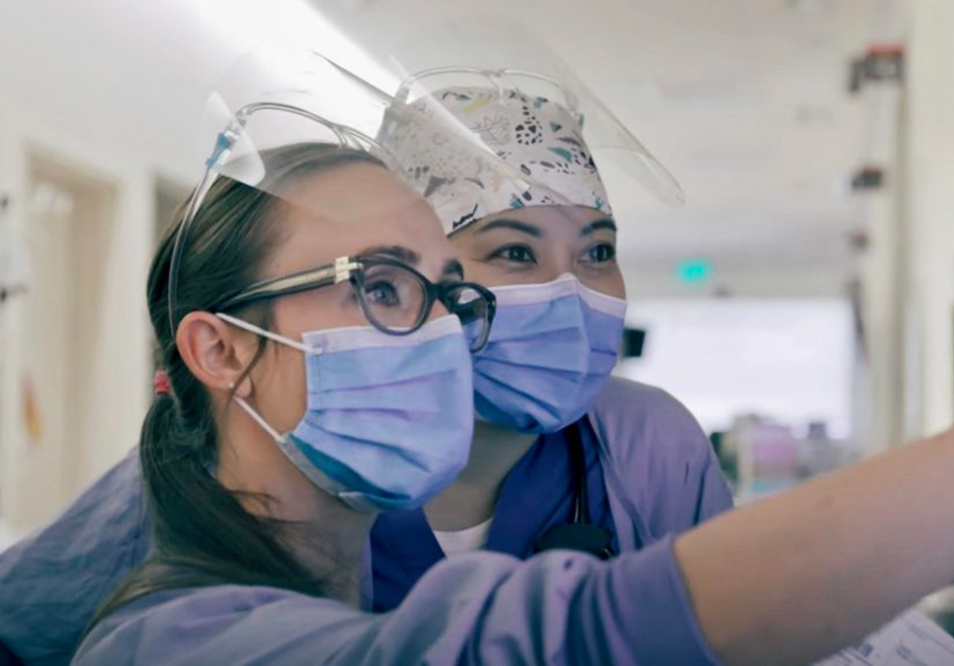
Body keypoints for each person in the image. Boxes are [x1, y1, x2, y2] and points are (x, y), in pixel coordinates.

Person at [65, 127, 954, 664]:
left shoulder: (632, 443)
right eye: (382, 287)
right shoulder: (169, 635)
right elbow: (583, 640)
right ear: (217, 353)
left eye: (444, 294)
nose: (446, 330)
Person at [0, 74, 729, 666]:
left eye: (598, 252)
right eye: (513, 253)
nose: (568, 294)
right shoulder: (257, 477)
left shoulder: (643, 445)